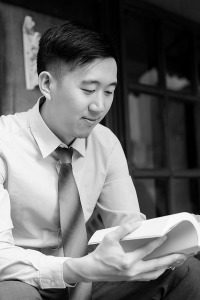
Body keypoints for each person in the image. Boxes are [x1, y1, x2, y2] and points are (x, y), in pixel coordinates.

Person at [0, 20, 200, 300]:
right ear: (47, 83)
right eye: (88, 89)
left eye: (109, 91)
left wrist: (171, 241)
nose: (100, 106)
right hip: (27, 280)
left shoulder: (105, 142)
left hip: (90, 279)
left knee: (187, 272)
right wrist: (77, 268)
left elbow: (130, 228)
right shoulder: (4, 141)